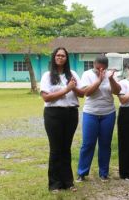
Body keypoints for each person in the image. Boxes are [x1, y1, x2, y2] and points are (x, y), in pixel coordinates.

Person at [40, 47, 83, 193]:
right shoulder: (47, 76)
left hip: (71, 114)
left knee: (66, 148)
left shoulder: (73, 74)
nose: (60, 57)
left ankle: (68, 182)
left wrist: (74, 87)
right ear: (53, 57)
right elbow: (46, 97)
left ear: (66, 58)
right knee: (56, 149)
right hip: (53, 114)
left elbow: (82, 94)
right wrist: (66, 89)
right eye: (58, 55)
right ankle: (54, 184)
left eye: (63, 55)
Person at [76, 55, 121, 182]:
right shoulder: (87, 74)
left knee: (105, 144)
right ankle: (82, 172)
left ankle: (104, 173)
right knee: (88, 144)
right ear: (93, 65)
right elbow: (86, 93)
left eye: (103, 69)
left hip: (108, 113)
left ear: (106, 67)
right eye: (97, 69)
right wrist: (99, 80)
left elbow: (117, 92)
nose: (100, 71)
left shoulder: (111, 74)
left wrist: (111, 79)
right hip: (91, 113)